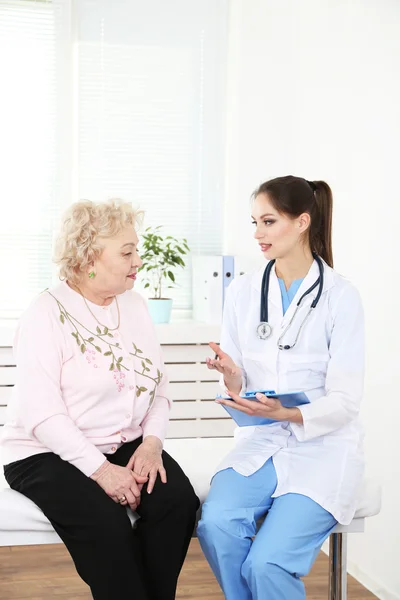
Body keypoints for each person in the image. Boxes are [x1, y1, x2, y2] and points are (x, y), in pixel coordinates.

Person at [1, 199, 199, 600]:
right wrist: (102, 471)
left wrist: (151, 443)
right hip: (42, 452)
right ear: (88, 256)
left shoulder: (135, 306)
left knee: (177, 502)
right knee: (106, 522)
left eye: (136, 250)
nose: (138, 261)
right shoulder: (45, 314)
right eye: (127, 252)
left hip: (122, 442)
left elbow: (159, 388)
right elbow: (43, 416)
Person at [197, 176, 364, 600]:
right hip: (261, 441)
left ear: (302, 222)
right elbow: (238, 378)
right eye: (254, 222)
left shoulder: (341, 297)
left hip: (321, 449)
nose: (257, 234)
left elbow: (345, 401)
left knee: (267, 563)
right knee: (216, 525)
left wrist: (288, 413)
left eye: (268, 222)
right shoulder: (243, 291)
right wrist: (231, 376)